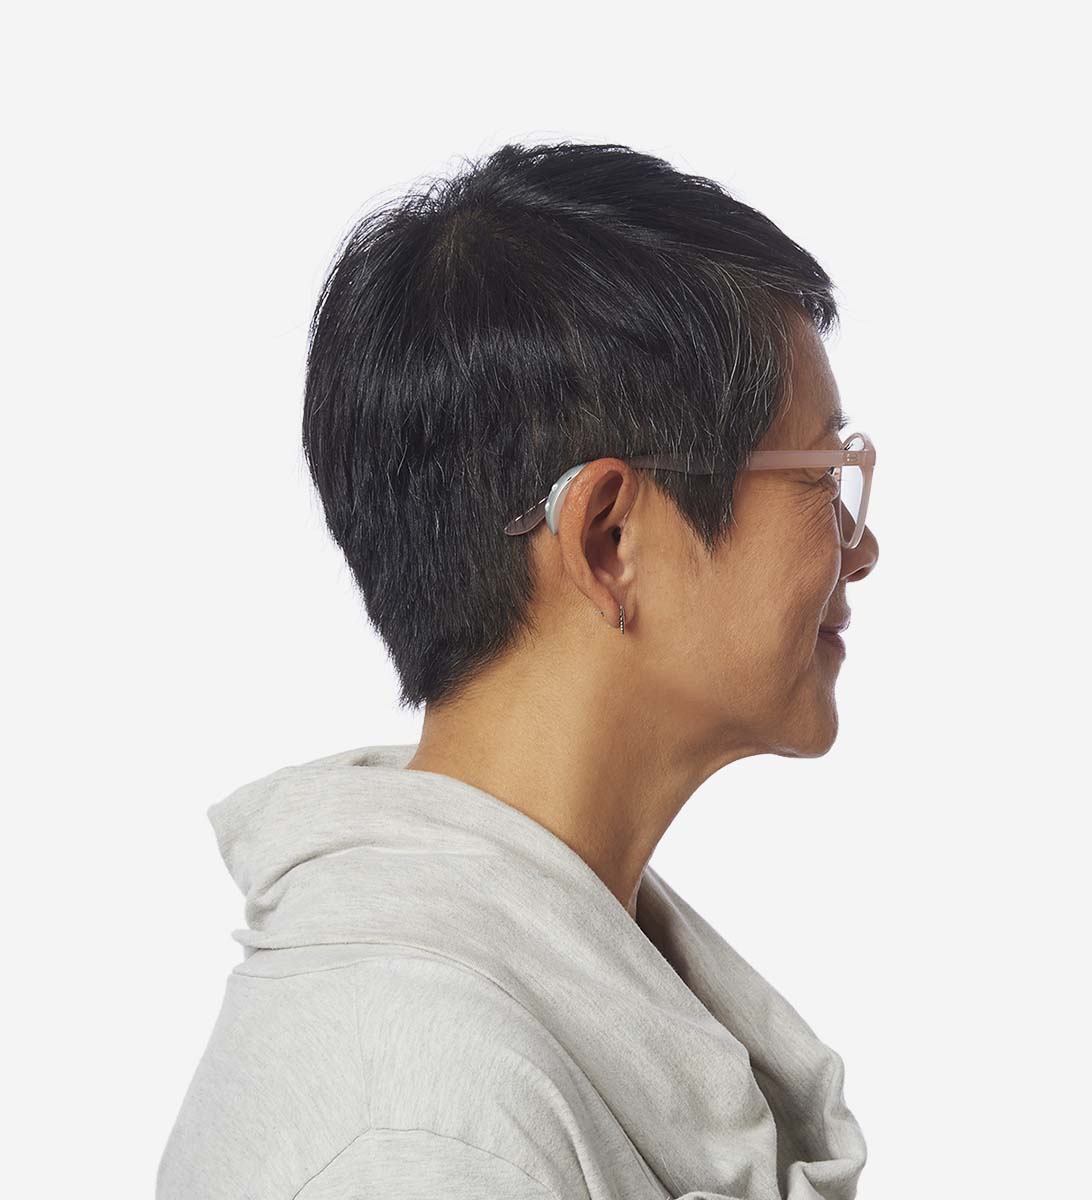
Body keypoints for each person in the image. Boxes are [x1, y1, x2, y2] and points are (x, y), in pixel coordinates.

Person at [157, 140, 879, 1200]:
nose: (862, 547)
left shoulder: (505, 1038)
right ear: (608, 540)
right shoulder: (419, 1131)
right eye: (821, 476)